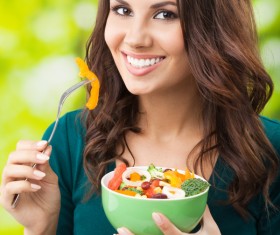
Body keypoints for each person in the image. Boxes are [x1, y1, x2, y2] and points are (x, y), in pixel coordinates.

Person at [1, 0, 279, 234]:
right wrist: (41, 227)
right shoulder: (68, 140)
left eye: (164, 14)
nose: (135, 38)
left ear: (214, 26)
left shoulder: (271, 151)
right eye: (122, 10)